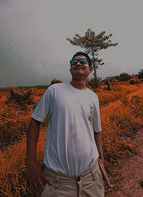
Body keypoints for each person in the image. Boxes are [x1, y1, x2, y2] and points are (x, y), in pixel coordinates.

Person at [26, 51, 111, 197]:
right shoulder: (54, 91)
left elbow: (97, 131)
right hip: (58, 183)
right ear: (70, 69)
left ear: (90, 69)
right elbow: (35, 123)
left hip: (91, 178)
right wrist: (30, 163)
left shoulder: (93, 97)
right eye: (74, 62)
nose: (78, 63)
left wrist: (101, 160)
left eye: (83, 61)